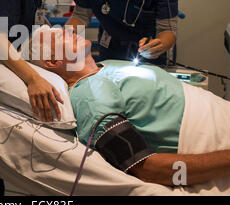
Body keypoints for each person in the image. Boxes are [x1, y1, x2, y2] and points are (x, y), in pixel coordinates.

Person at [22, 26, 230, 186]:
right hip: (212, 136)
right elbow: (146, 169)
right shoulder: (91, 97)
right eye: (60, 36)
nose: (71, 30)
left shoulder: (108, 64)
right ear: (52, 60)